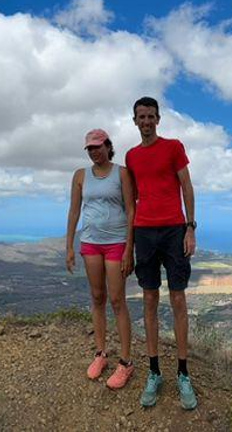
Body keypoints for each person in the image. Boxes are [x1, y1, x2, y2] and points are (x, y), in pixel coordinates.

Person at [126, 96, 198, 410]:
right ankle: (154, 372)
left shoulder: (173, 147)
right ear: (134, 120)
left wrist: (190, 227)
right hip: (144, 231)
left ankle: (183, 374)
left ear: (158, 119)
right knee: (150, 300)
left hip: (173, 230)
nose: (146, 121)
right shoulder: (131, 157)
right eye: (141, 117)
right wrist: (130, 242)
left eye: (151, 116)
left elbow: (187, 187)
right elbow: (132, 200)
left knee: (179, 299)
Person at [66, 128, 136, 390]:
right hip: (90, 242)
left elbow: (131, 210)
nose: (95, 152)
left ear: (108, 146)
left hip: (117, 243)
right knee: (97, 297)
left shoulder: (122, 173)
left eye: (98, 146)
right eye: (90, 148)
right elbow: (74, 211)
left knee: (117, 300)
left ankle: (126, 362)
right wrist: (69, 246)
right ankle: (100, 354)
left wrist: (130, 248)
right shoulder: (81, 175)